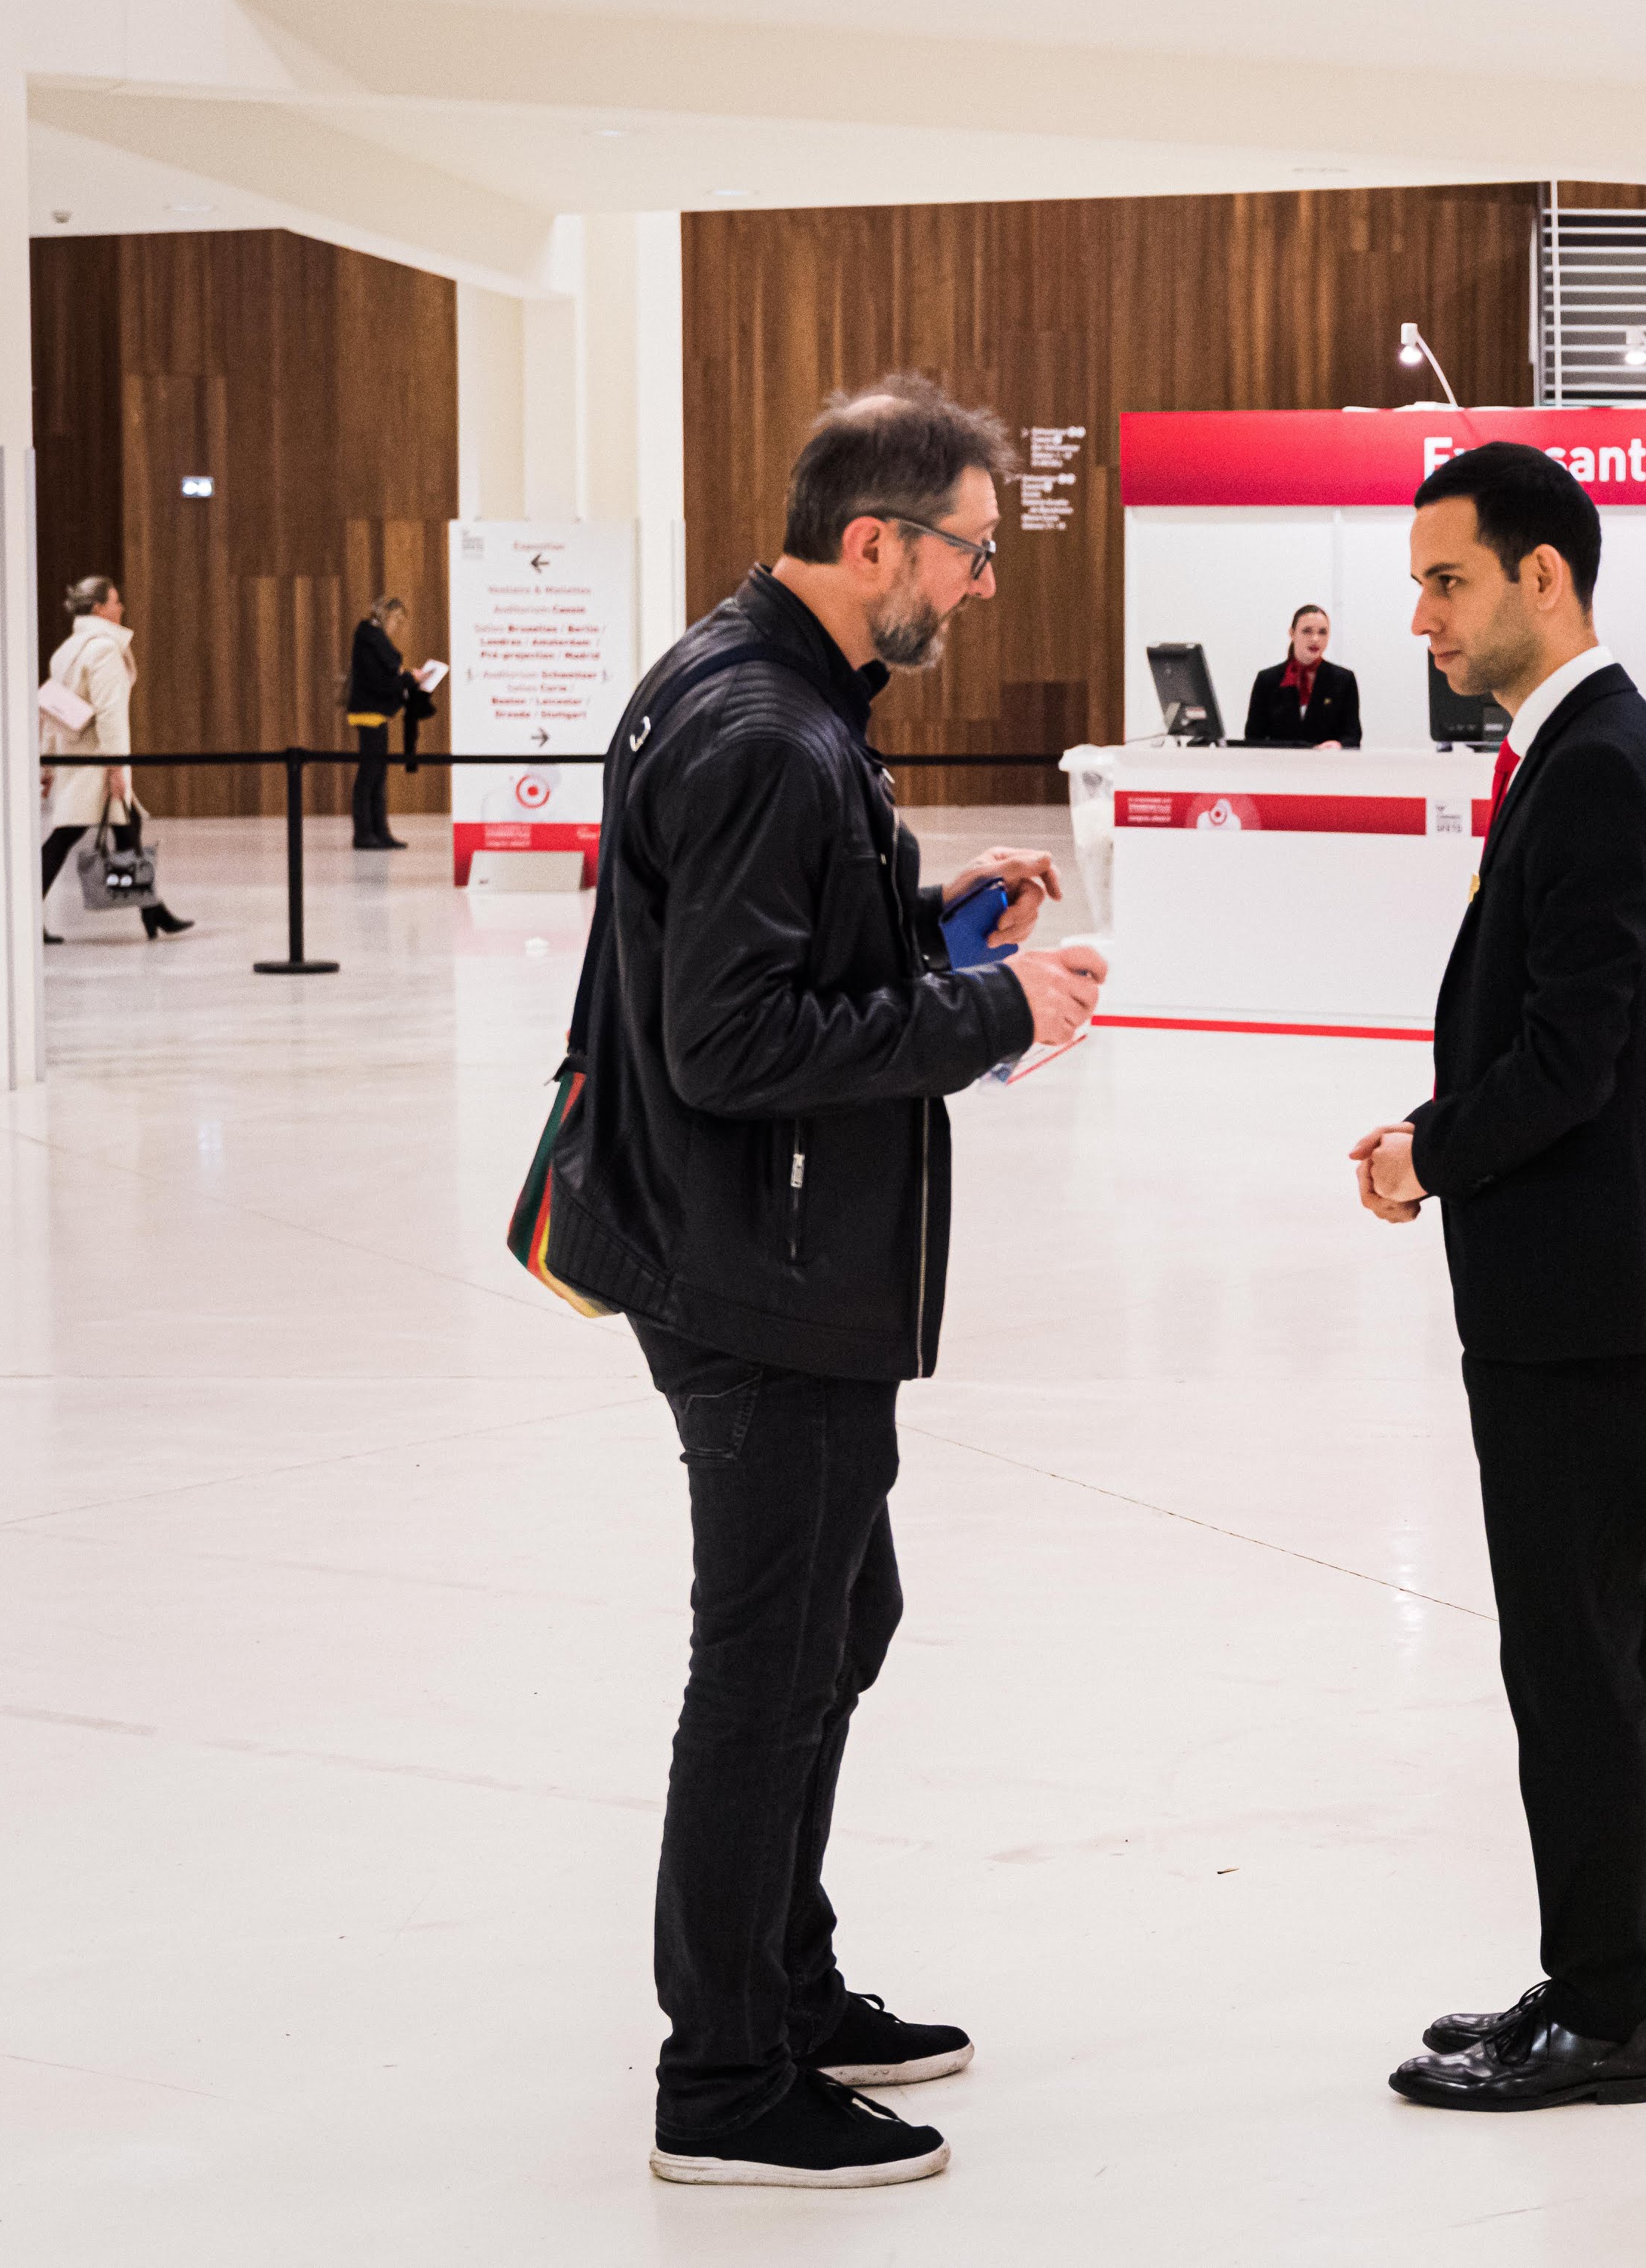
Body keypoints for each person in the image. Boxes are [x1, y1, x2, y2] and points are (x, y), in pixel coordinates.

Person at [539, 375, 1106, 2190]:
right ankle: (722, 2078)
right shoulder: (766, 728)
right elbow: (729, 1041)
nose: (982, 586)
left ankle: (784, 1979)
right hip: (756, 1277)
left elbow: (755, 952)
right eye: (969, 550)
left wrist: (935, 926)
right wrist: (990, 1010)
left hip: (758, 1253)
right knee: (769, 1660)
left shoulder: (759, 694)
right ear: (877, 543)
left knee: (834, 1622)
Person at [1350, 442, 1646, 2112]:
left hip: (1575, 1292)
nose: (1419, 610)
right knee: (1591, 1649)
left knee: (1570, 1657)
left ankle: (1606, 2009)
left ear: (1543, 578)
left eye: (1446, 577)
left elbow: (1569, 1057)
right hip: (1586, 1280)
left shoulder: (1595, 766)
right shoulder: (1587, 747)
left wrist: (1430, 1148)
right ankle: (1624, 1976)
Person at [38, 577, 192, 942]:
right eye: (115, 602)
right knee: (66, 836)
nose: (121, 608)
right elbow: (110, 713)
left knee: (127, 826)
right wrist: (117, 766)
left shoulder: (66, 651)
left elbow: (51, 710)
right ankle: (152, 913)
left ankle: (154, 912)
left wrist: (47, 765)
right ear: (98, 609)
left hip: (75, 761)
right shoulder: (104, 649)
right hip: (97, 761)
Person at [346, 593, 425, 850]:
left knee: (378, 775)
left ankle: (380, 832)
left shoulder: (372, 640)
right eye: (396, 621)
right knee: (369, 775)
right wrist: (409, 680)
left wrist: (406, 678)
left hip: (377, 712)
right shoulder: (370, 640)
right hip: (369, 713)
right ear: (385, 616)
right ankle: (364, 834)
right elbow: (378, 682)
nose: (397, 627)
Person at [1242, 602, 1362, 746]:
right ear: (1292, 634)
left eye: (1322, 632)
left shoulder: (1344, 680)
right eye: (1307, 631)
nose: (1315, 639)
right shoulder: (1268, 680)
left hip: (1327, 765)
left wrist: (1338, 745)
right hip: (1279, 766)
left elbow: (1353, 736)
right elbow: (1253, 738)